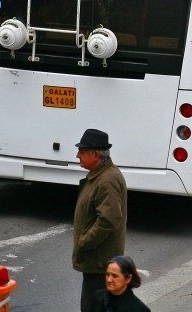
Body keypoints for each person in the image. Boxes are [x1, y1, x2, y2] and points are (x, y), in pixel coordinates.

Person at [73, 129, 128, 312]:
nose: (77, 155)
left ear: (95, 154)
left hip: (99, 263)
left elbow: (108, 221)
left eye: (82, 152)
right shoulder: (100, 176)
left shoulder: (106, 180)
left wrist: (85, 242)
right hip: (97, 262)